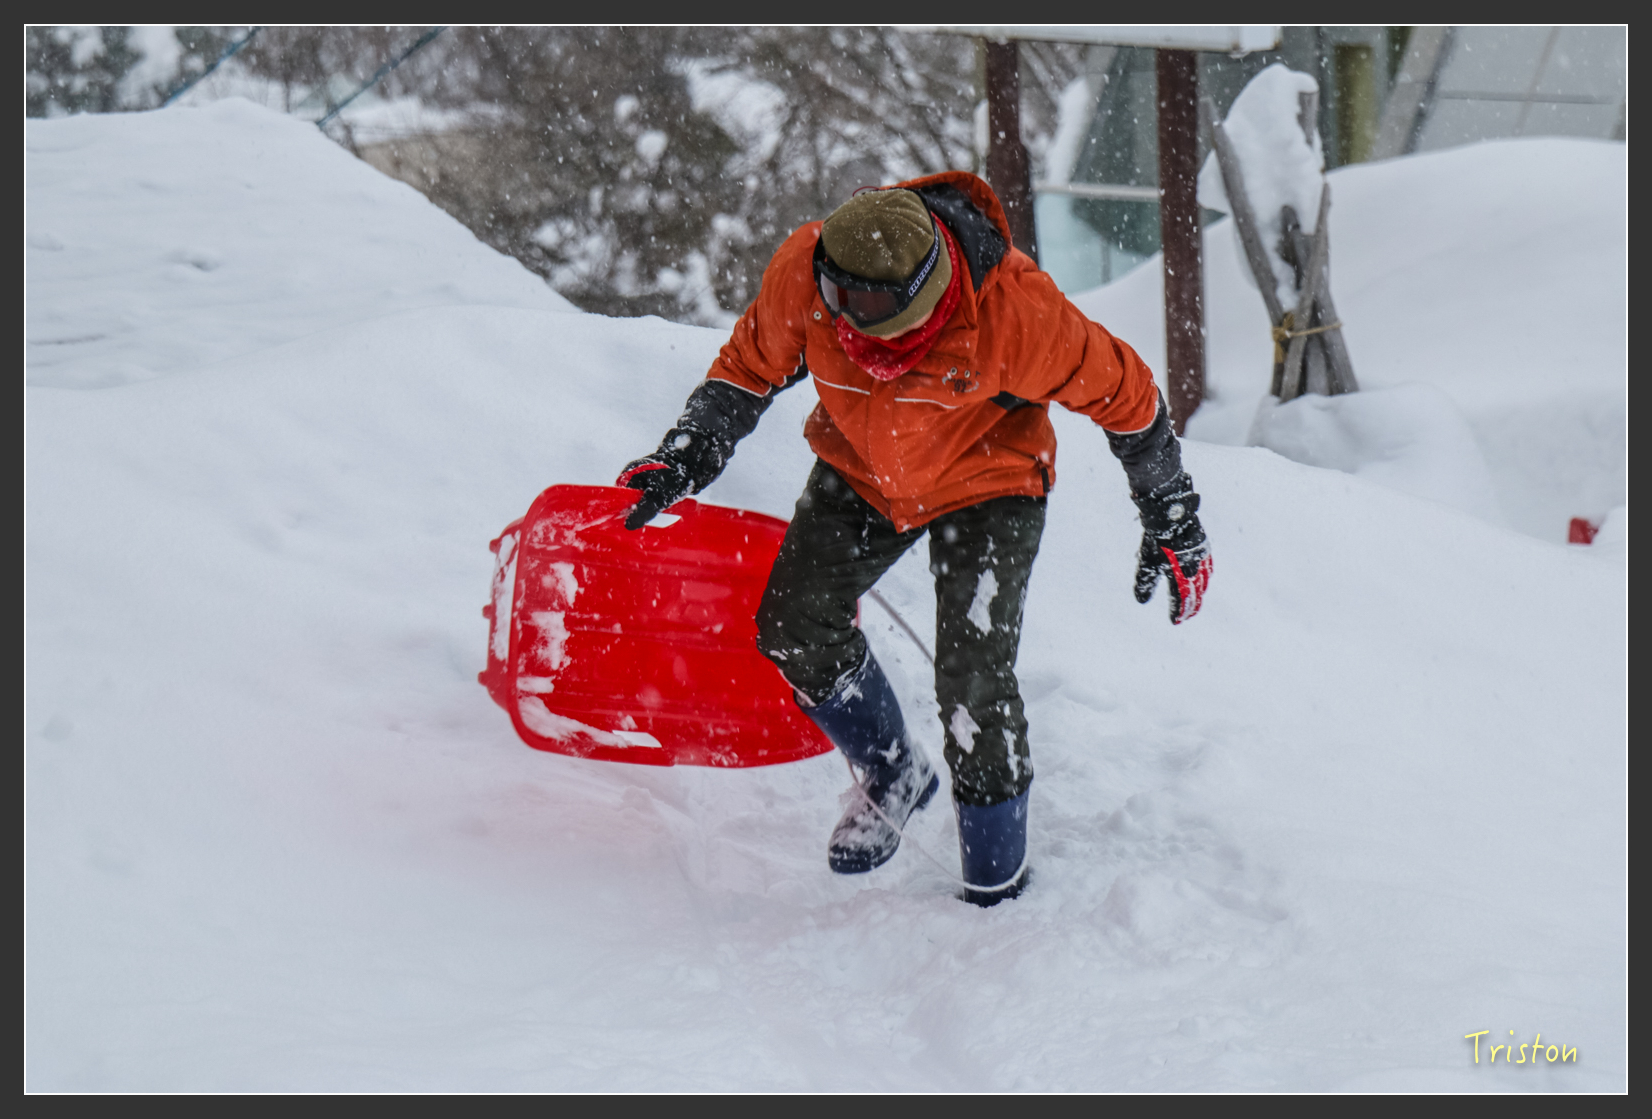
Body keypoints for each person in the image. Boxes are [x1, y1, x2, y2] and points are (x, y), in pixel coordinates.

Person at [617, 173, 1211, 906]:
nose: (848, 324)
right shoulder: (805, 273)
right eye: (838, 299)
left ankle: (994, 885)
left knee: (972, 683)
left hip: (989, 481)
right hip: (861, 470)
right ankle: (894, 770)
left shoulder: (1017, 313)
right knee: (793, 626)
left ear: (926, 295)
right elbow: (748, 368)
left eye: (871, 308)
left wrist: (1171, 513)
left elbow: (1130, 397)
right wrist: (687, 452)